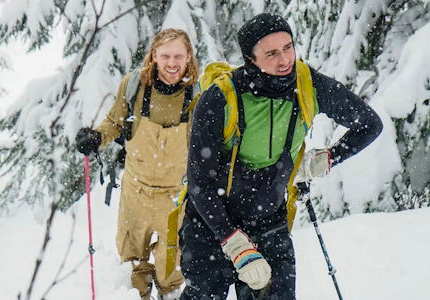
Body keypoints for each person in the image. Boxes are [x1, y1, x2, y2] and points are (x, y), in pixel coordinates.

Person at [179, 13, 383, 300]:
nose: (285, 59)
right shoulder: (219, 99)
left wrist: (327, 158)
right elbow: (200, 184)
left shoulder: (308, 86)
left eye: (288, 47)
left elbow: (369, 124)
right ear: (250, 59)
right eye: (271, 53)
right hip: (210, 224)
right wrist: (233, 241)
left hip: (268, 220)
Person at [75, 28, 200, 300]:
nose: (171, 63)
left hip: (176, 200)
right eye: (165, 55)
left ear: (189, 56)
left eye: (178, 55)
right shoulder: (134, 85)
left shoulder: (199, 94)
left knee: (173, 274)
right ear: (153, 55)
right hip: (136, 194)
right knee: (132, 272)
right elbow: (114, 123)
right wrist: (96, 137)